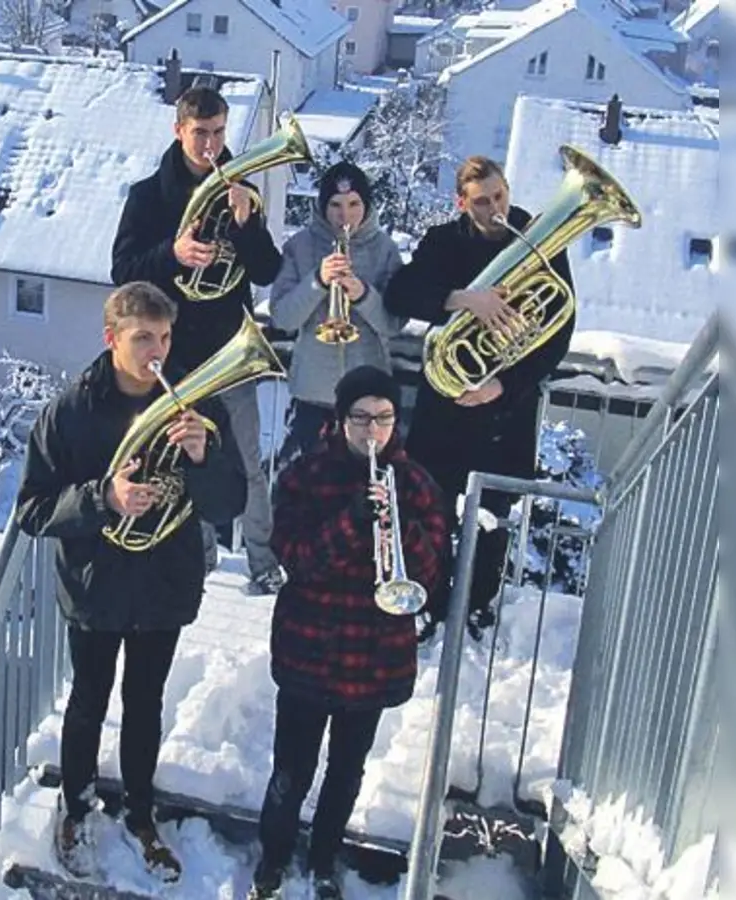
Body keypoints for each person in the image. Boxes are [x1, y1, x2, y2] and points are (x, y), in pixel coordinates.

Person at [15, 282, 247, 882]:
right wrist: (104, 497)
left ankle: (141, 814)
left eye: (165, 337)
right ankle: (74, 807)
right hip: (95, 585)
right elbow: (33, 508)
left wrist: (204, 459)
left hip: (164, 586)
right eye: (143, 338)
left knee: (146, 705)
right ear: (111, 338)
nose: (157, 352)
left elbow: (229, 505)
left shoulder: (197, 408)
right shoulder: (70, 411)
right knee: (88, 701)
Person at [248, 366, 451, 900]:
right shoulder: (304, 476)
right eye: (360, 418)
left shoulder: (416, 484)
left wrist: (397, 522)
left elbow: (429, 574)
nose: (372, 430)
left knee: (346, 771)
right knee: (291, 769)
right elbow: (295, 558)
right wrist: (351, 520)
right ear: (339, 420)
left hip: (374, 656)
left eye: (383, 418)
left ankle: (322, 860)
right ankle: (272, 858)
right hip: (308, 649)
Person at [385, 155, 576, 641]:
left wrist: (501, 385)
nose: (495, 208)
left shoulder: (538, 240)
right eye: (482, 200)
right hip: (444, 407)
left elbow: (559, 331)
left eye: (500, 195)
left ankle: (477, 604)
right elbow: (401, 294)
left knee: (494, 517)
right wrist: (465, 299)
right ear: (461, 202)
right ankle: (430, 601)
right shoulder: (443, 242)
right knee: (432, 509)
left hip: (504, 410)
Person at [111, 85, 286, 594]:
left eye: (218, 132)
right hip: (175, 361)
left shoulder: (241, 188)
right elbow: (122, 271)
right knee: (189, 463)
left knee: (249, 464)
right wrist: (174, 253)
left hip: (232, 351)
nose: (210, 144)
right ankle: (203, 558)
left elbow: (268, 269)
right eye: (200, 133)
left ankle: (263, 562)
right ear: (179, 130)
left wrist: (246, 225)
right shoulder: (148, 195)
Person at [269, 161, 407, 470]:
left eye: (354, 204)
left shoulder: (385, 250)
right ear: (322, 206)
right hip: (312, 395)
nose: (345, 215)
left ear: (367, 204)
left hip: (368, 399)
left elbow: (393, 323)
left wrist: (363, 296)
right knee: (303, 492)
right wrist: (317, 281)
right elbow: (282, 317)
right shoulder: (300, 246)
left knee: (365, 492)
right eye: (335, 205)